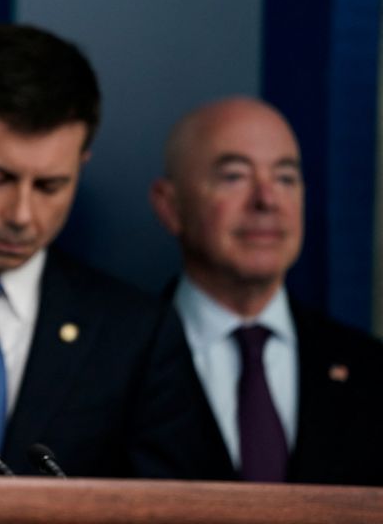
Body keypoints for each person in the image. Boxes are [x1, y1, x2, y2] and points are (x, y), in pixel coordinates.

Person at [0, 24, 213, 478]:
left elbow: (170, 504)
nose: (22, 215)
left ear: (81, 167)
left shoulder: (135, 335)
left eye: (50, 185)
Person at [150, 96, 383, 485]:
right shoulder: (115, 365)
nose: (267, 200)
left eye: (286, 178)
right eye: (234, 177)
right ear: (171, 206)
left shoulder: (371, 370)